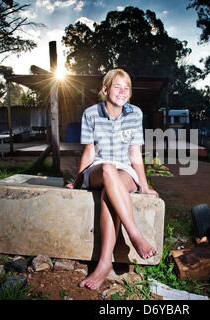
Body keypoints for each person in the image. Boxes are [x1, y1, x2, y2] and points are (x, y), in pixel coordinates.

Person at [66, 69, 158, 290]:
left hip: (125, 171)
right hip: (99, 168)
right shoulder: (91, 113)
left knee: (112, 188)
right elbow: (89, 152)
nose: (122, 91)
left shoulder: (135, 113)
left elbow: (135, 154)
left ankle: (104, 262)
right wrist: (78, 182)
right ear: (105, 89)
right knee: (108, 170)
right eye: (117, 86)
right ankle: (135, 234)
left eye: (126, 88)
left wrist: (144, 186)